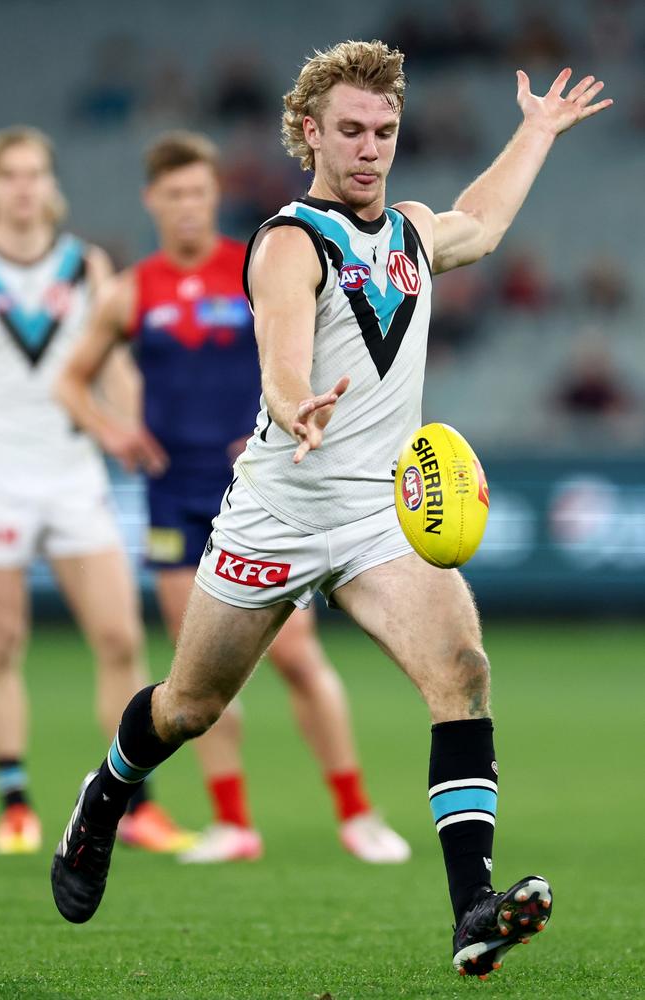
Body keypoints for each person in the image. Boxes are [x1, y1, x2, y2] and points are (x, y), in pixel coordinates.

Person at [50, 42, 612, 978]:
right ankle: (106, 794)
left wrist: (536, 131)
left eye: (385, 131)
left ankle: (473, 906)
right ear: (309, 131)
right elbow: (278, 344)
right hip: (277, 511)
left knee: (462, 670)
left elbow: (477, 222)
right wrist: (288, 398)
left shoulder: (411, 233)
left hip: (380, 517)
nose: (370, 149)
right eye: (351, 130)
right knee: (189, 707)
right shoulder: (286, 241)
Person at [55, 130, 410, 864]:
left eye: (200, 192)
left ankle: (356, 812)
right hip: (171, 499)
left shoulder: (256, 264)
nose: (188, 206)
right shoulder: (132, 290)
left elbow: (306, 354)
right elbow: (70, 378)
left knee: (298, 657)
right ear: (153, 200)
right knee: (199, 670)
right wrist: (112, 430)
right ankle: (233, 823)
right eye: (174, 194)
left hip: (259, 492)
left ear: (215, 196)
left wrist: (281, 418)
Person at [0, 126, 191, 854]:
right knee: (3, 644)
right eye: (9, 174)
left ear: (50, 184)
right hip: (1, 477)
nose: (22, 187)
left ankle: (136, 804)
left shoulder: (84, 267)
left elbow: (113, 365)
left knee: (117, 638)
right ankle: (14, 800)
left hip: (75, 475)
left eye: (33, 173)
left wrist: (135, 424)